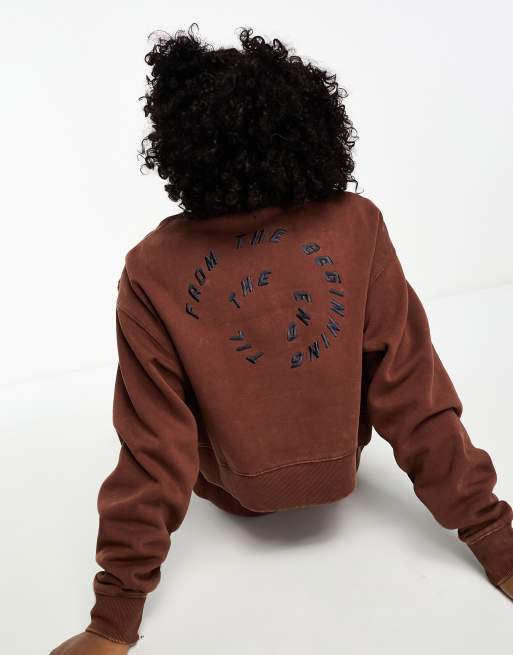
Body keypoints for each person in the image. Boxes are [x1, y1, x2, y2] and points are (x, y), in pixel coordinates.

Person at [50, 23, 513, 655]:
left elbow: (155, 446)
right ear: (309, 126)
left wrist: (114, 617)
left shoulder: (151, 268)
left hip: (233, 494)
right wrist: (496, 540)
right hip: (342, 476)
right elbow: (413, 398)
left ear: (180, 146)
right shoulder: (357, 226)